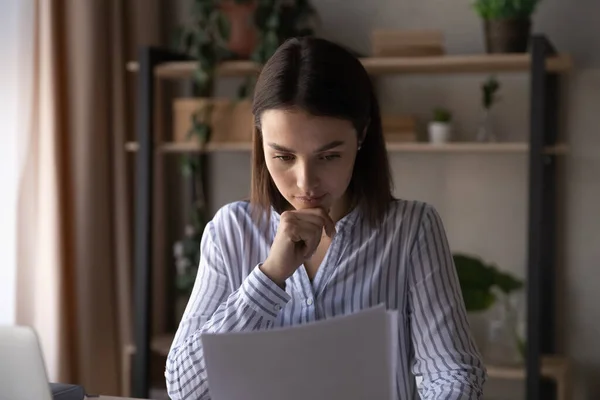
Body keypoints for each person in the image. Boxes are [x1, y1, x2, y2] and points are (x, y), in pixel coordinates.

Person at [165, 37, 486, 400]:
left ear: (362, 135)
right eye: (284, 157)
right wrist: (270, 276)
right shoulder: (230, 232)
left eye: (329, 156)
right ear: (261, 141)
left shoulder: (412, 230)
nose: (306, 182)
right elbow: (184, 389)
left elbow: (453, 374)